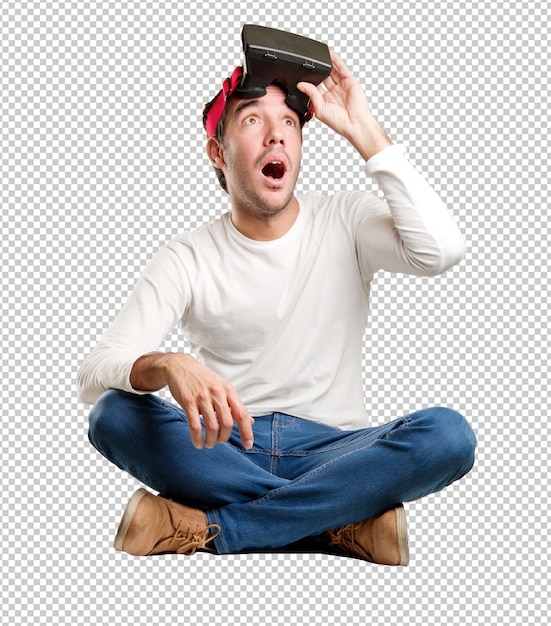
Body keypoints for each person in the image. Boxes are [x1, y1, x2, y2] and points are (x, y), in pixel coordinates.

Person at [77, 49, 476, 565]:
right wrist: (169, 364)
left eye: (289, 121)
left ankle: (216, 528)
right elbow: (92, 376)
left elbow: (441, 250)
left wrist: (364, 130)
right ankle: (339, 521)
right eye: (252, 120)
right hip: (224, 451)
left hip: (339, 452)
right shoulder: (186, 255)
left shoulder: (346, 218)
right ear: (217, 154)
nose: (276, 134)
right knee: (114, 414)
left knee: (448, 436)